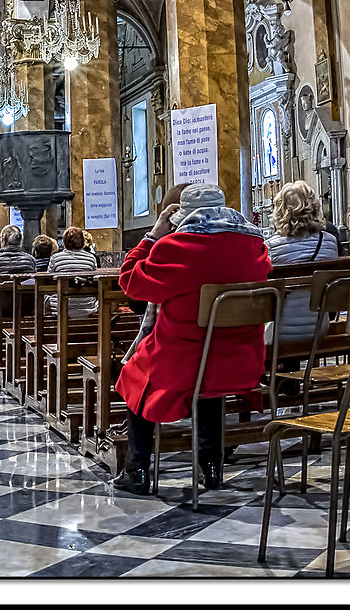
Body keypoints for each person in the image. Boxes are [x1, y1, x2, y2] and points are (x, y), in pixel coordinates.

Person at [111, 182, 273, 496]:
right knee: (210, 376)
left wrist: (153, 236)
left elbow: (130, 281)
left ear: (180, 215)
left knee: (134, 374)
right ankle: (210, 467)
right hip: (241, 360)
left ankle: (136, 470)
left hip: (182, 363)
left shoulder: (177, 247)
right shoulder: (254, 244)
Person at [262, 181, 340, 347]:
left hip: (280, 329)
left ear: (280, 210)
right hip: (319, 326)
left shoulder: (270, 247)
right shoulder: (330, 242)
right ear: (314, 208)